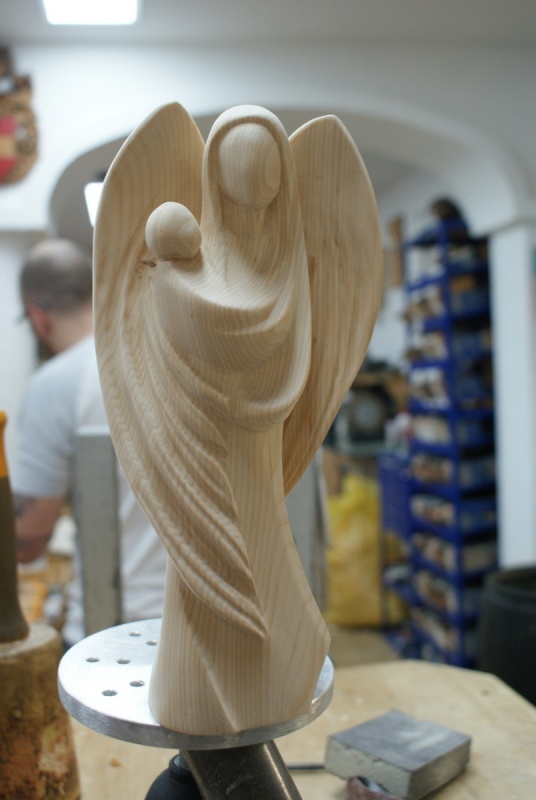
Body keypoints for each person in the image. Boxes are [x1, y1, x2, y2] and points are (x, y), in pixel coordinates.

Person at [12, 238, 167, 646]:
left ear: (38, 318)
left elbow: (28, 541)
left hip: (111, 630)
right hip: (209, 622)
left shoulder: (55, 384)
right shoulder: (166, 357)